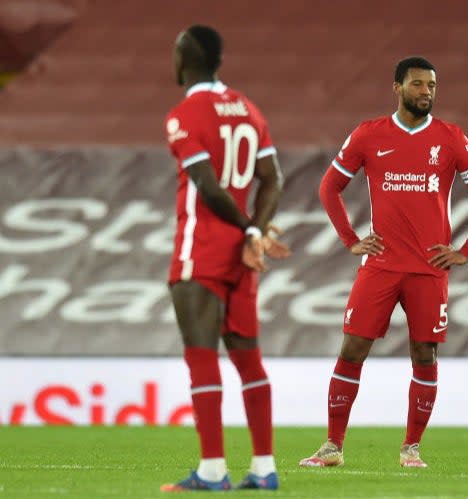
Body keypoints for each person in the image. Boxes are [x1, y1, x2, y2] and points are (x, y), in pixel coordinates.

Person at [299, 56, 468, 468]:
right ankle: (332, 446)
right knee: (352, 347)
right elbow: (329, 187)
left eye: (431, 86)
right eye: (417, 85)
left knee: (424, 355)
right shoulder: (369, 134)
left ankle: (411, 448)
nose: (426, 92)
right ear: (397, 87)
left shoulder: (450, 138)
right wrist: (351, 239)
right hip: (382, 265)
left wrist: (466, 251)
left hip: (428, 269)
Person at [160, 25, 290, 492]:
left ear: (185, 59)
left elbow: (208, 188)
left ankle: (213, 471)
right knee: (249, 360)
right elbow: (273, 178)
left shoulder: (183, 115)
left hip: (204, 248)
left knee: (202, 358)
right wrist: (254, 232)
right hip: (244, 256)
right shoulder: (249, 110)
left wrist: (245, 229)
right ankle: (263, 468)